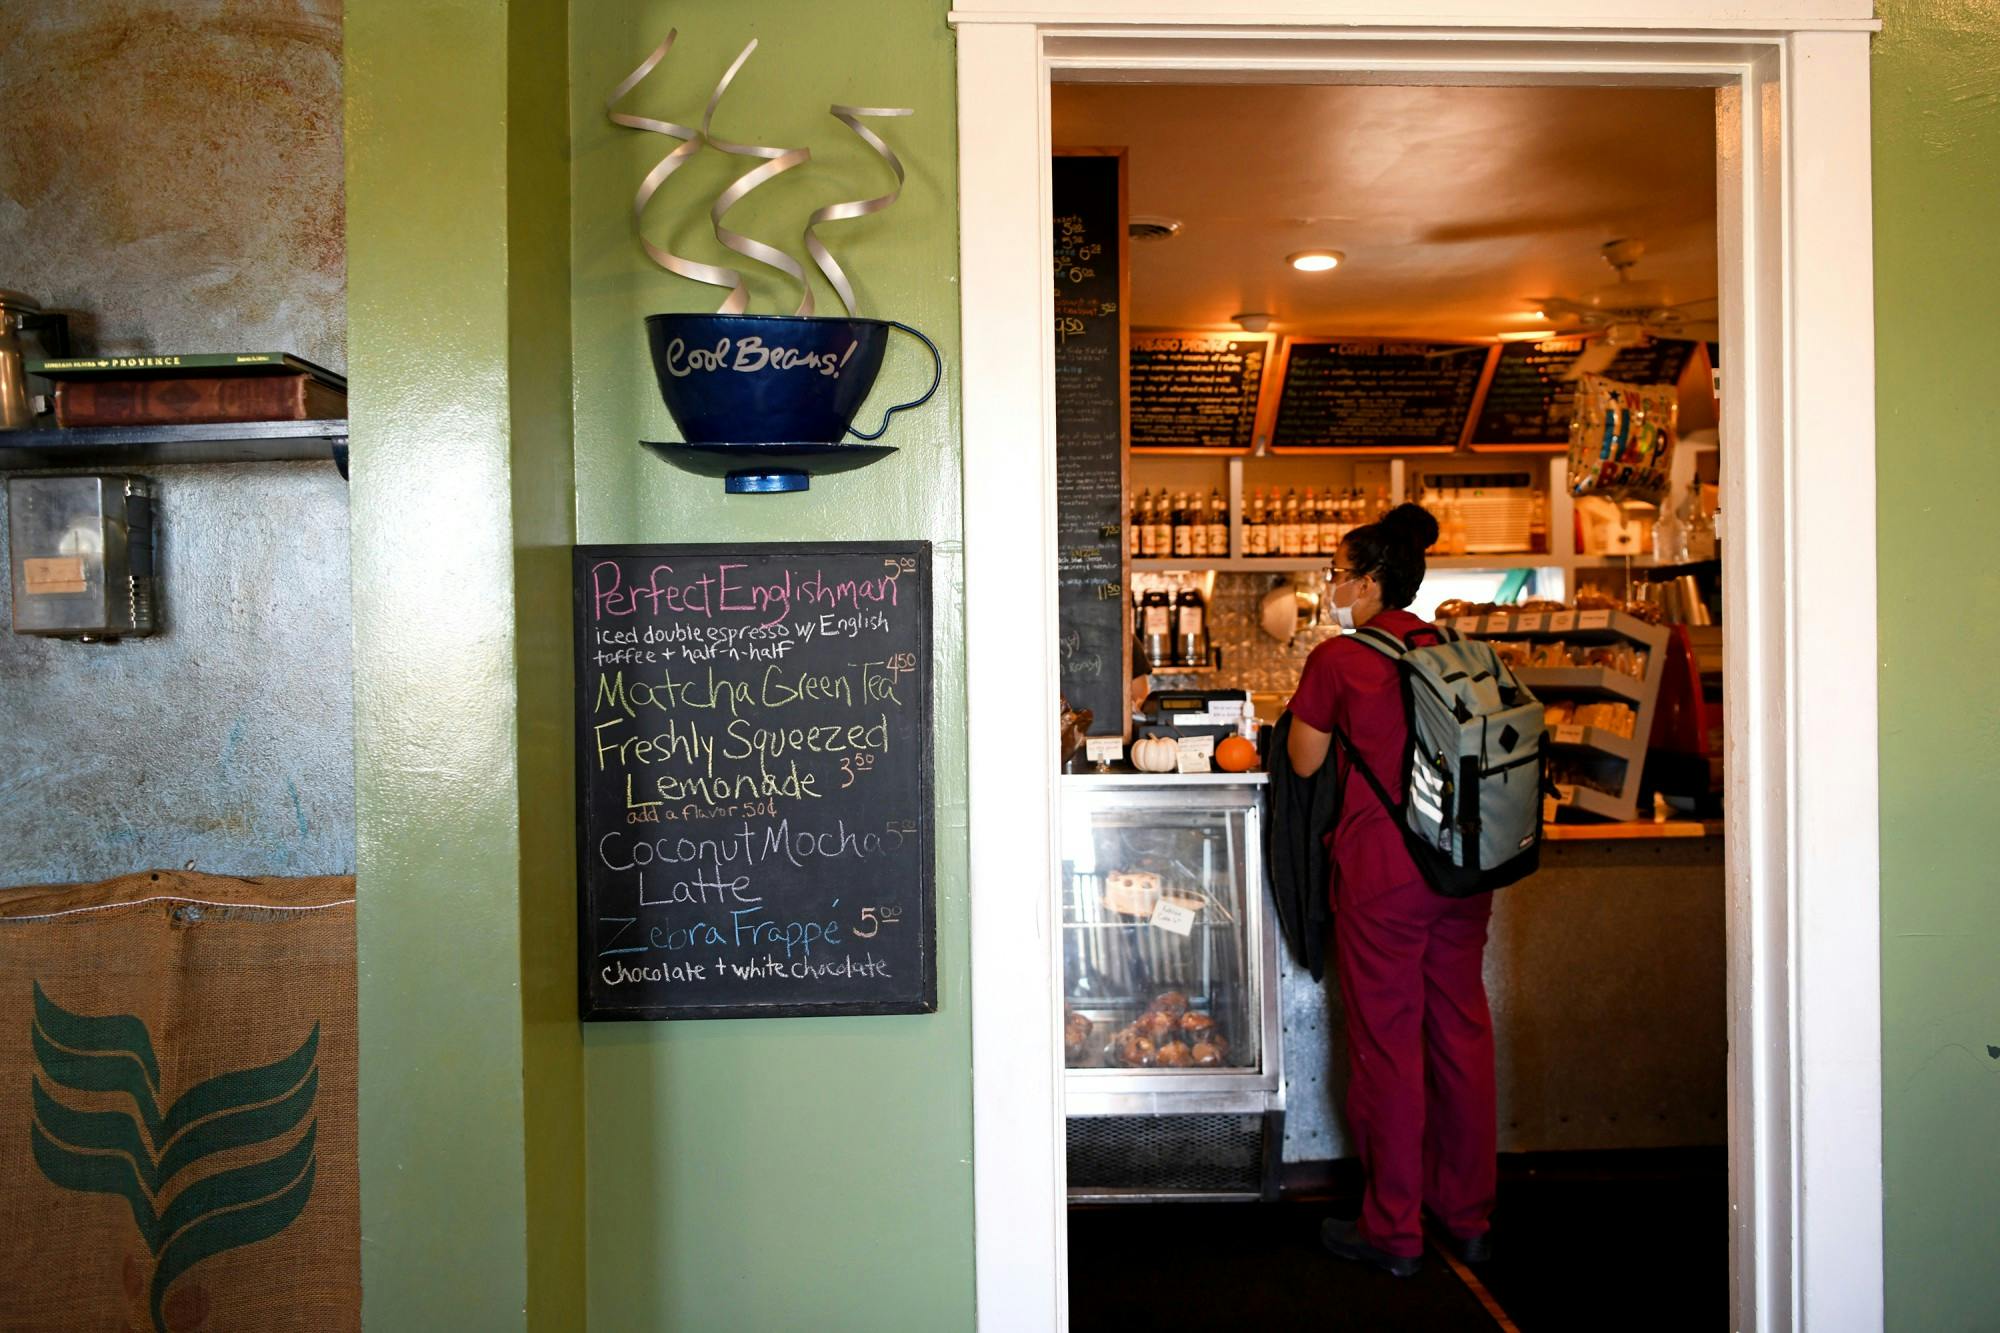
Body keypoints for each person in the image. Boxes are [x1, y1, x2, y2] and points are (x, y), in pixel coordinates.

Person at [1285, 503, 1496, 1279]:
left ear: (1372, 580)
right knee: (1461, 1035)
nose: (1335, 586)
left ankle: (1395, 1230)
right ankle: (1467, 1215)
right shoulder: (1451, 648)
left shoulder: (1341, 658)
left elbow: (1304, 763)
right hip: (1464, 869)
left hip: (1383, 878)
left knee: (1388, 1048)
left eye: (1340, 573)